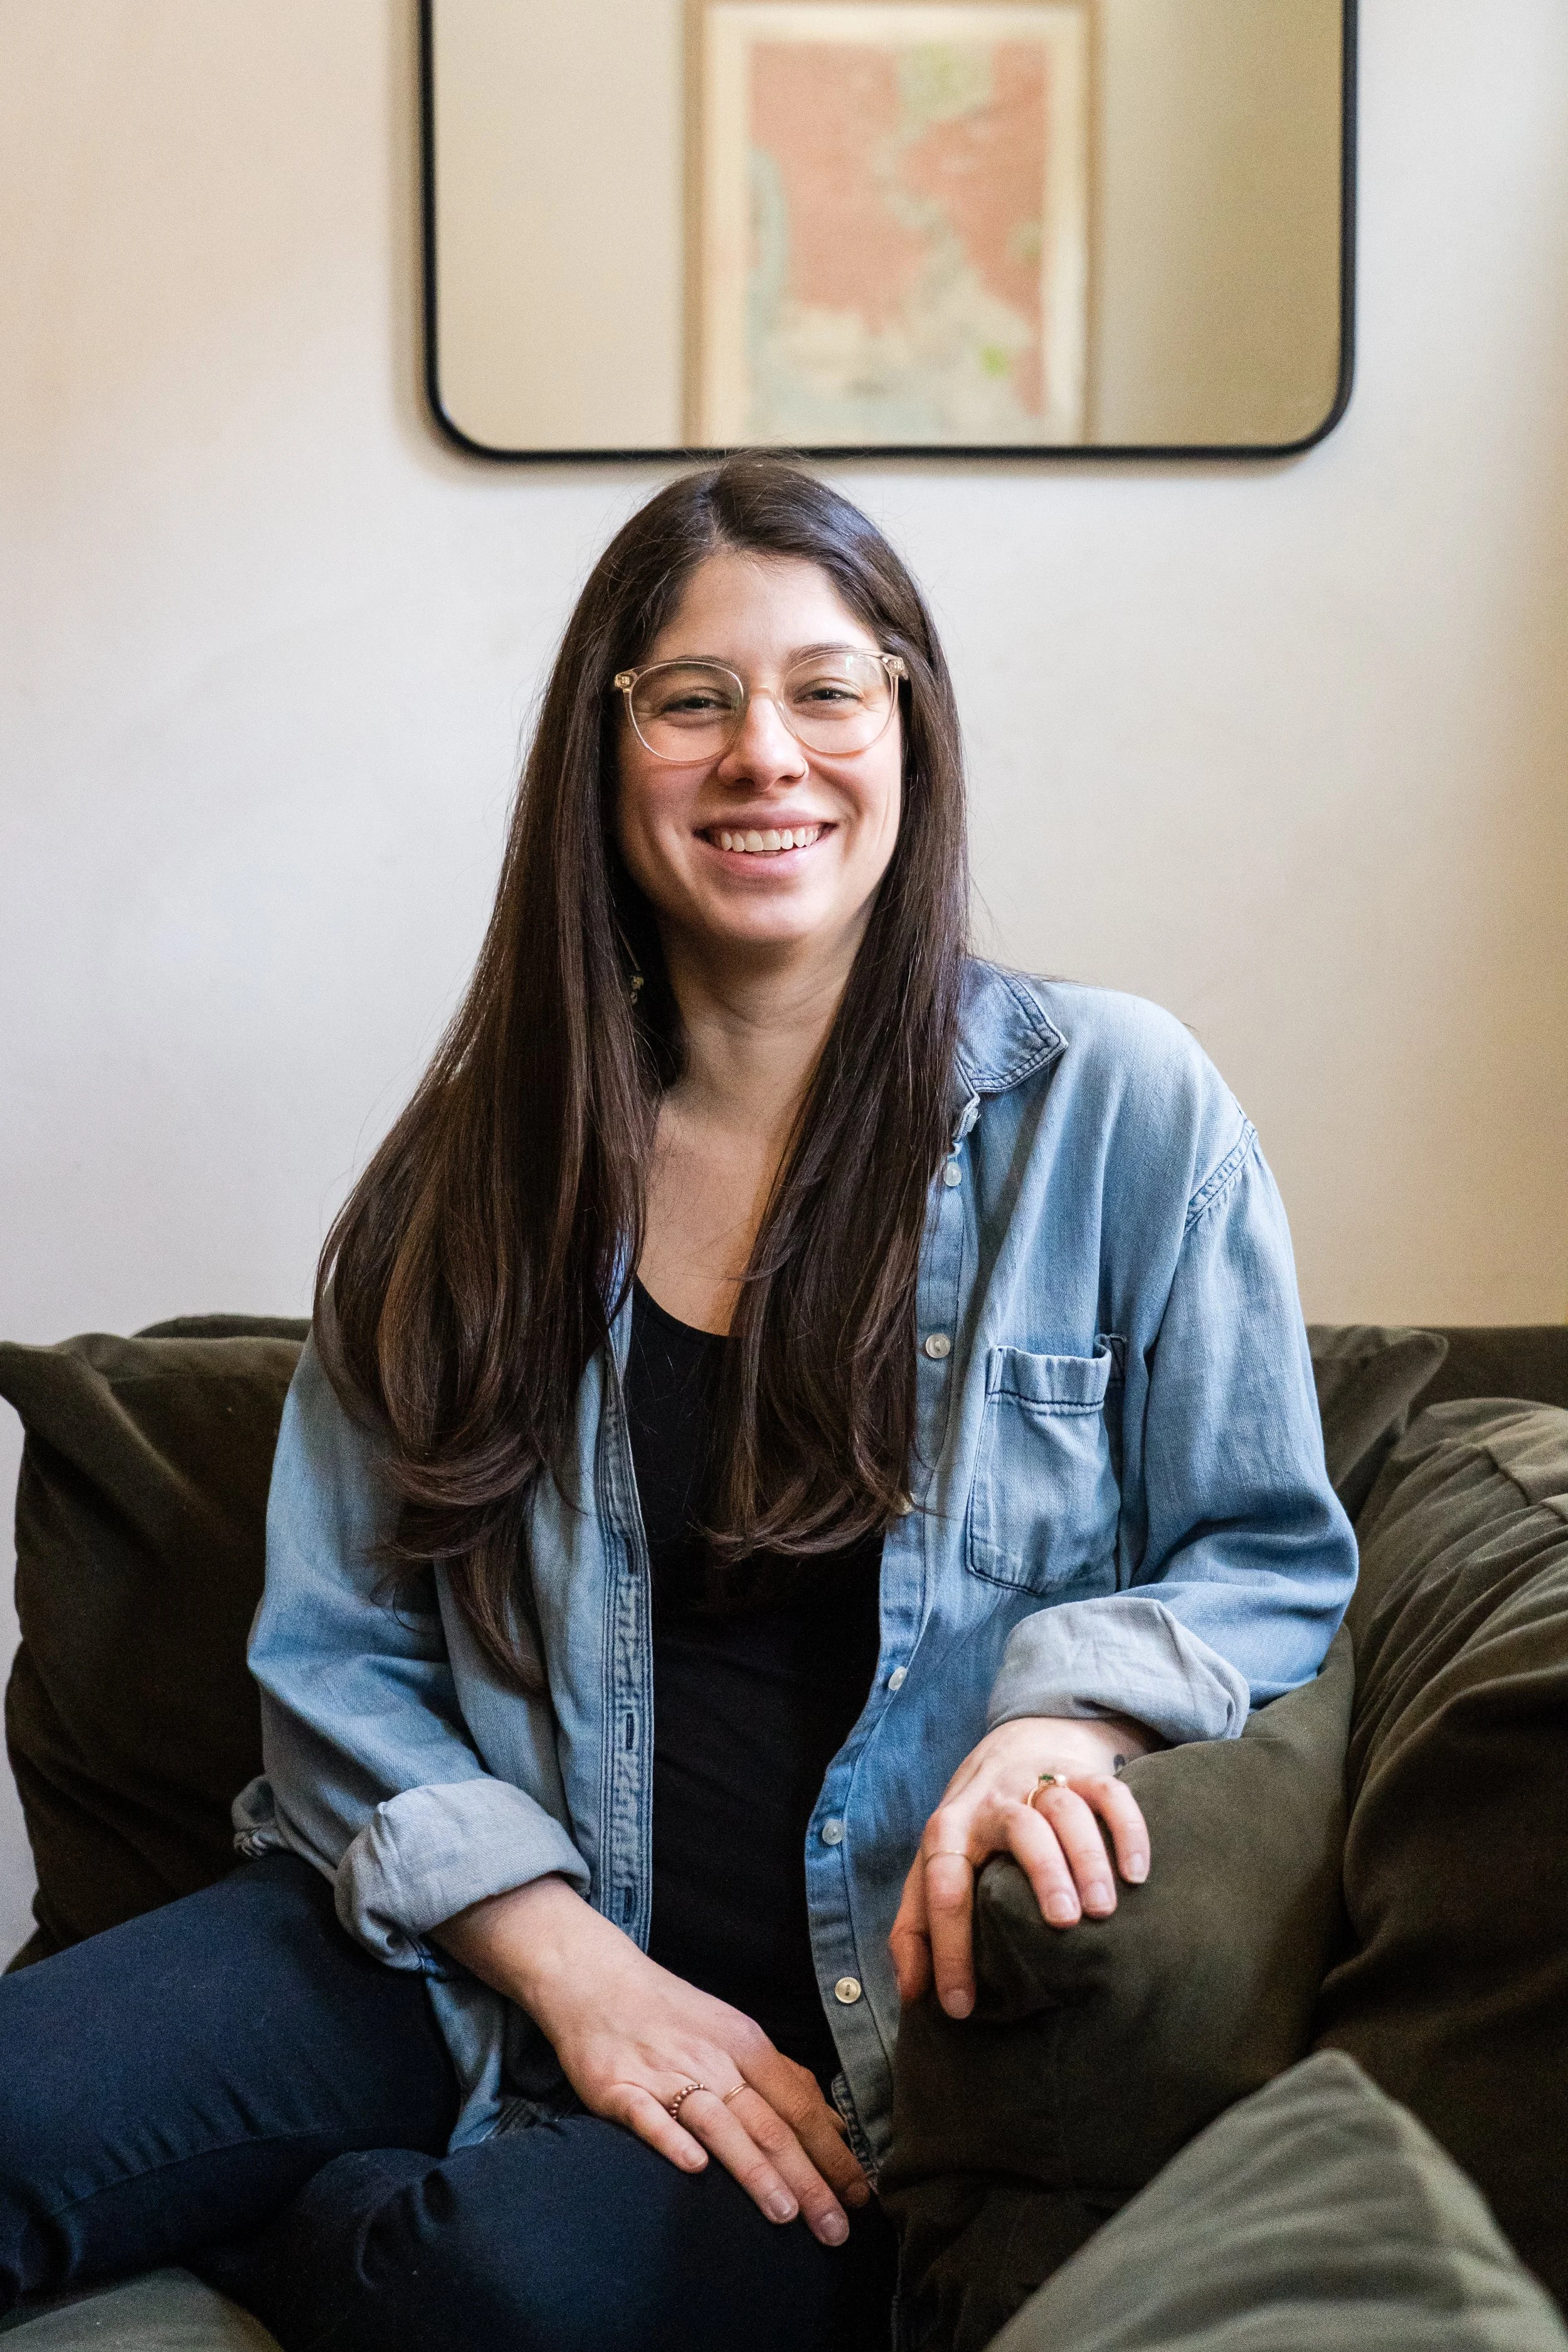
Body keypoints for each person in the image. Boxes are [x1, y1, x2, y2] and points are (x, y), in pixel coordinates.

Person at [0, 459, 1355, 2352]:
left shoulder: (1119, 1112)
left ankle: (319, 2221)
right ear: (606, 749)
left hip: (837, 2037)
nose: (765, 755)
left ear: (907, 724)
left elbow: (1264, 1551)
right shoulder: (474, 1171)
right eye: (692, 699)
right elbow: (331, 1651)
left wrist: (1077, 1711)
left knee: (477, 2282)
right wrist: (568, 1966)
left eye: (825, 688)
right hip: (459, 1944)